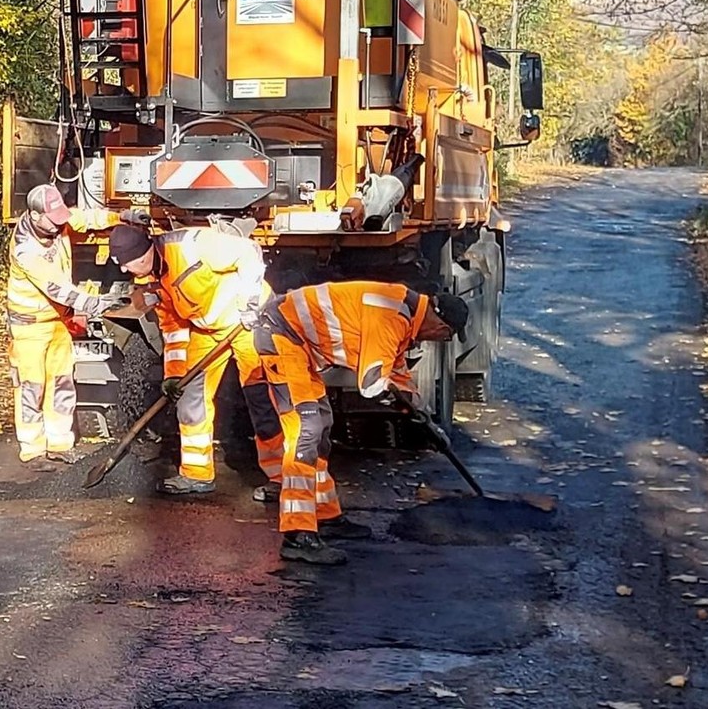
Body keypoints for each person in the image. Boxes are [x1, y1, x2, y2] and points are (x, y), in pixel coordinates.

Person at [255, 280, 468, 565]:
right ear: (442, 328)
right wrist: (406, 409)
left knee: (321, 428)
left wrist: (426, 420)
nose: (439, 340)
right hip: (283, 338)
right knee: (305, 432)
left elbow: (399, 376)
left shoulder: (405, 313)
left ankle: (325, 516)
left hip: (299, 346)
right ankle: (298, 535)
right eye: (445, 337)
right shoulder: (392, 316)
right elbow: (372, 384)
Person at [107, 220, 284, 497]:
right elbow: (173, 328)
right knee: (191, 400)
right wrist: (174, 374)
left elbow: (249, 252)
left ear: (143, 254)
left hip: (249, 322)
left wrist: (250, 304)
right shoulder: (149, 281)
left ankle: (283, 478)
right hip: (208, 329)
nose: (123, 270)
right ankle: (197, 474)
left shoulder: (191, 245)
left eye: (126, 264)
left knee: (263, 398)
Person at [6, 183, 147, 465]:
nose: (61, 225)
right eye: (54, 219)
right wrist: (101, 304)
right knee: (32, 386)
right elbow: (59, 289)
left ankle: (59, 442)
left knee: (61, 381)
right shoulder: (26, 250)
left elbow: (86, 218)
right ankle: (33, 449)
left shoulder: (57, 222)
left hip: (57, 320)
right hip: (29, 326)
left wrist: (123, 217)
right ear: (35, 216)